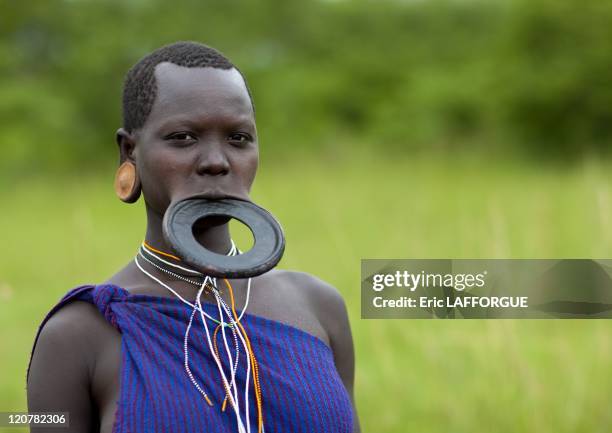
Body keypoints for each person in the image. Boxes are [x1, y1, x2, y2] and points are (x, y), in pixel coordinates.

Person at [26, 41, 360, 433]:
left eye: (238, 138)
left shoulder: (318, 308)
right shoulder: (79, 335)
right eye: (184, 138)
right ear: (129, 152)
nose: (217, 161)